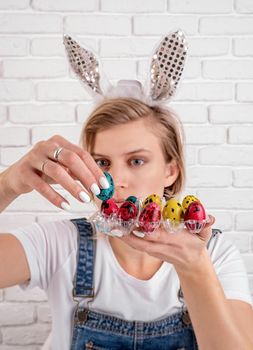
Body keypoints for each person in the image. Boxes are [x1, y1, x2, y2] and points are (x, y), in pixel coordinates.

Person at [0, 31, 253, 350]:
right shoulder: (59, 245)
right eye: (102, 162)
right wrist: (7, 184)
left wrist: (194, 267)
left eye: (136, 160)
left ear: (170, 171)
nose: (114, 180)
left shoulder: (215, 256)